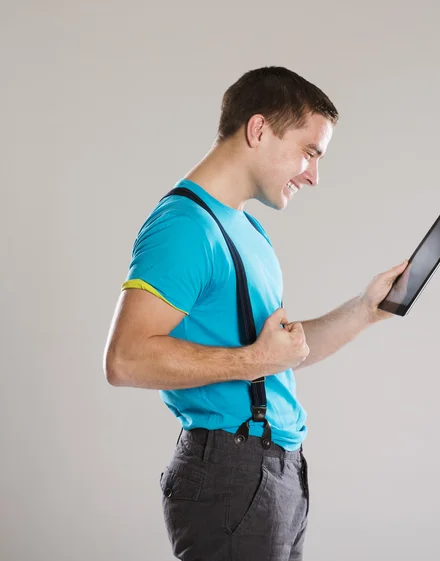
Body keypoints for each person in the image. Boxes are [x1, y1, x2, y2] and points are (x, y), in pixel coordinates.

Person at [103, 66, 409, 561]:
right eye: (310, 152)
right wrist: (253, 361)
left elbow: (276, 355)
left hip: (276, 473)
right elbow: (125, 360)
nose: (314, 174)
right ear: (259, 129)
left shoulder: (249, 230)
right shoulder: (184, 227)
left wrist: (364, 310)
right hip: (232, 473)